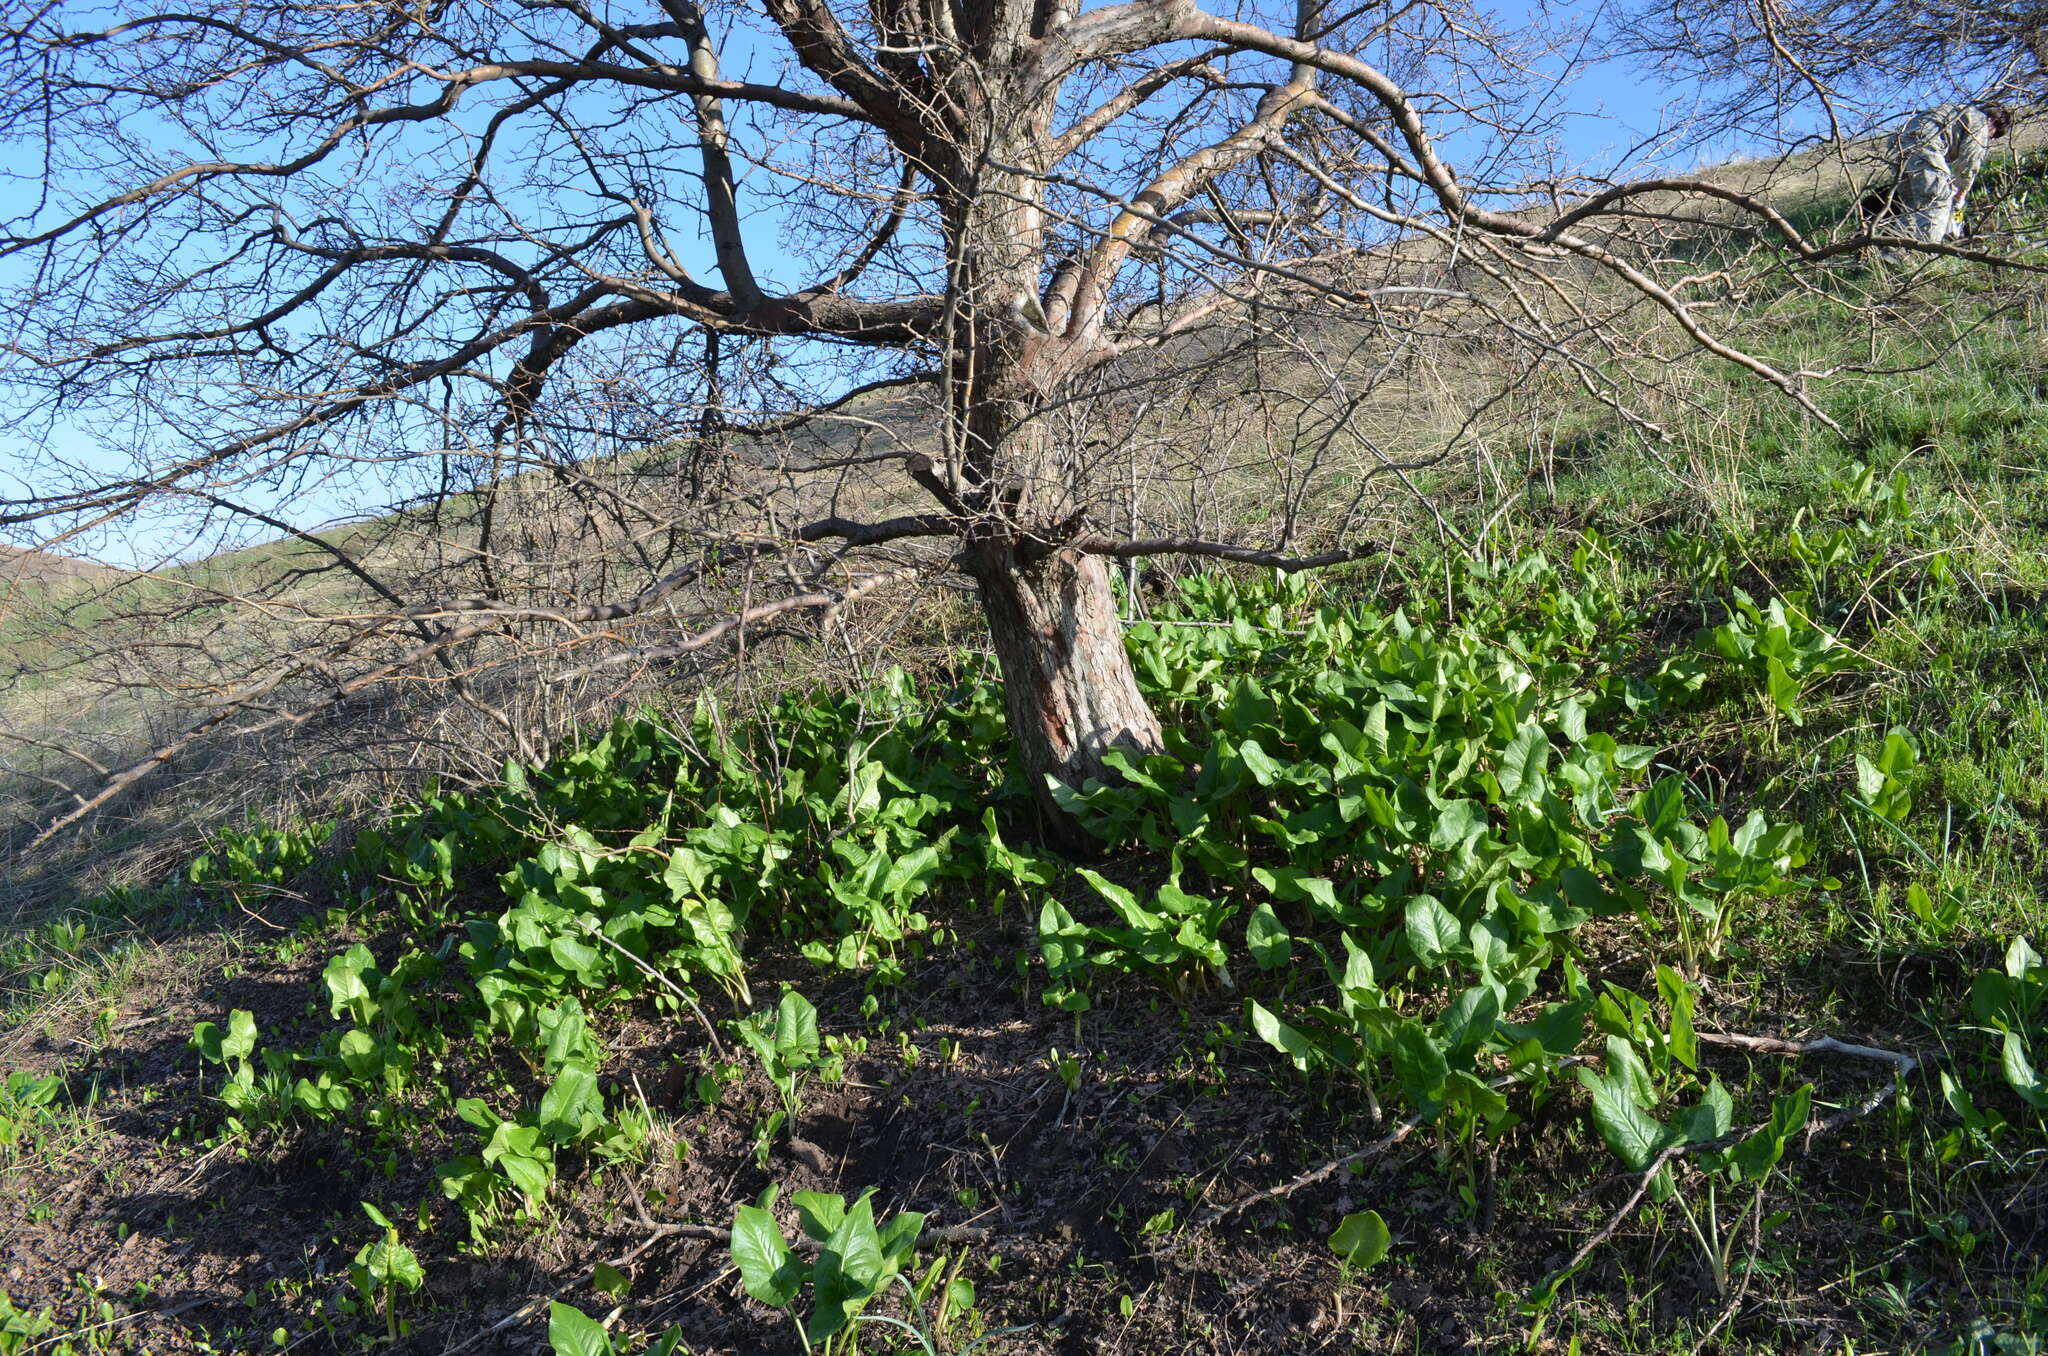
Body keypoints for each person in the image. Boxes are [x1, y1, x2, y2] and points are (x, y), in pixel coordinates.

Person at [1889, 101, 2012, 243]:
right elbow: (1969, 164)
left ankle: (1893, 255)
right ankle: (1925, 253)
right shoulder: (1979, 121)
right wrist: (1960, 195)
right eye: (1992, 136)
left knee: (1913, 208)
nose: (1989, 139)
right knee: (1938, 201)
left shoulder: (1957, 110)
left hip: (1897, 148)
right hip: (1924, 148)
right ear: (1993, 121)